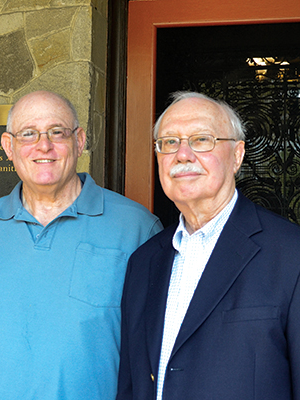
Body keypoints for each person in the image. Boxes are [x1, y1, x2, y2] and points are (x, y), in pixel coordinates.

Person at [0, 90, 162, 400]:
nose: (44, 145)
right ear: (8, 146)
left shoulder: (136, 227)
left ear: (79, 140)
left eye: (57, 132)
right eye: (28, 134)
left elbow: (156, 347)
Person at [117, 91, 300, 400]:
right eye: (169, 142)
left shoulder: (290, 254)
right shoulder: (144, 261)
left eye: (201, 140)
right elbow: (132, 385)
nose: (183, 154)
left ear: (238, 155)